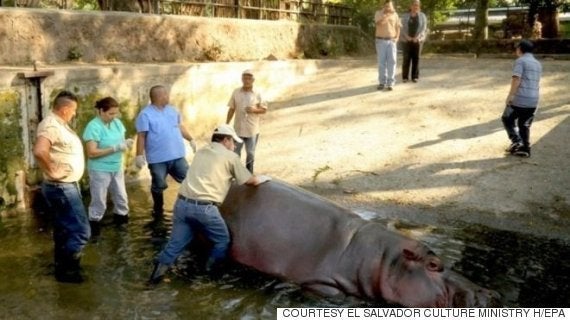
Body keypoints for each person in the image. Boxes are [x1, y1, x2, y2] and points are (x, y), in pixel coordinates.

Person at [148, 124, 271, 284]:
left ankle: (153, 281)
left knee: (174, 246)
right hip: (205, 209)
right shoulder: (230, 157)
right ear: (226, 140)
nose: (234, 146)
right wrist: (265, 178)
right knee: (222, 240)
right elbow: (251, 181)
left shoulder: (201, 152)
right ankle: (209, 276)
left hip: (181, 205)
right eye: (233, 142)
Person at [33, 90, 90, 283]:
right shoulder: (51, 125)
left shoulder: (58, 124)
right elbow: (40, 150)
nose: (74, 114)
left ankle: (60, 269)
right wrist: (53, 170)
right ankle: (69, 271)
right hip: (62, 187)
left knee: (64, 229)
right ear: (65, 109)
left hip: (63, 186)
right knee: (82, 231)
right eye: (73, 110)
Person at [135, 85, 196, 217]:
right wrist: (139, 155)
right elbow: (141, 135)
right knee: (159, 185)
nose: (168, 97)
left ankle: (193, 206)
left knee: (189, 180)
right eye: (165, 95)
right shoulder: (145, 114)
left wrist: (191, 139)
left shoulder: (173, 110)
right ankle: (158, 209)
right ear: (158, 97)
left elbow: (180, 127)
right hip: (157, 159)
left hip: (177, 155)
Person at [82, 97, 133, 239]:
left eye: (116, 113)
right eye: (111, 114)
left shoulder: (117, 123)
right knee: (99, 201)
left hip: (116, 167)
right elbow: (92, 153)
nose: (114, 116)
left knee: (122, 198)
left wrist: (126, 143)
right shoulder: (93, 126)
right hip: (100, 169)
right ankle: (94, 230)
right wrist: (115, 148)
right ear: (100, 111)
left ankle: (122, 229)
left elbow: (121, 142)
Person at [502, 39, 542, 158]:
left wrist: (511, 95)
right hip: (533, 100)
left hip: (520, 99)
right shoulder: (538, 64)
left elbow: (516, 79)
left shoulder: (521, 61)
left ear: (520, 49)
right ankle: (525, 148)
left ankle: (516, 141)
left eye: (516, 48)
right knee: (524, 124)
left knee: (507, 118)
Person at [226, 69, 268, 173]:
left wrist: (254, 110)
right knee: (235, 153)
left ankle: (249, 174)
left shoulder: (258, 93)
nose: (247, 80)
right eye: (245, 77)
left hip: (252, 130)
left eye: (249, 78)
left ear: (253, 80)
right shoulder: (236, 92)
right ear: (242, 79)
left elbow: (264, 109)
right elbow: (232, 108)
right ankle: (236, 174)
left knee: (250, 153)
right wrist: (226, 123)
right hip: (238, 129)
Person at [374, 0, 401, 91]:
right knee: (381, 63)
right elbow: (378, 23)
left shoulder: (395, 15)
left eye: (389, 6)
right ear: (383, 6)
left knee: (392, 62)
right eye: (386, 6)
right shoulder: (378, 13)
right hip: (381, 41)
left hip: (391, 41)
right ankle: (382, 82)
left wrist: (397, 38)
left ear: (392, 6)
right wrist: (386, 15)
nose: (388, 8)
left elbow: (398, 27)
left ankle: (391, 83)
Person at [400, 0, 427, 83]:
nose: (415, 7)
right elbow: (401, 28)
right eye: (414, 5)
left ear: (419, 6)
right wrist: (407, 37)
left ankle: (415, 77)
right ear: (410, 6)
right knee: (406, 58)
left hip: (417, 40)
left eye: (417, 5)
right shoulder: (405, 16)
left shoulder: (422, 16)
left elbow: (423, 28)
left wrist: (417, 37)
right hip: (406, 39)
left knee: (416, 58)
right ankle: (405, 77)